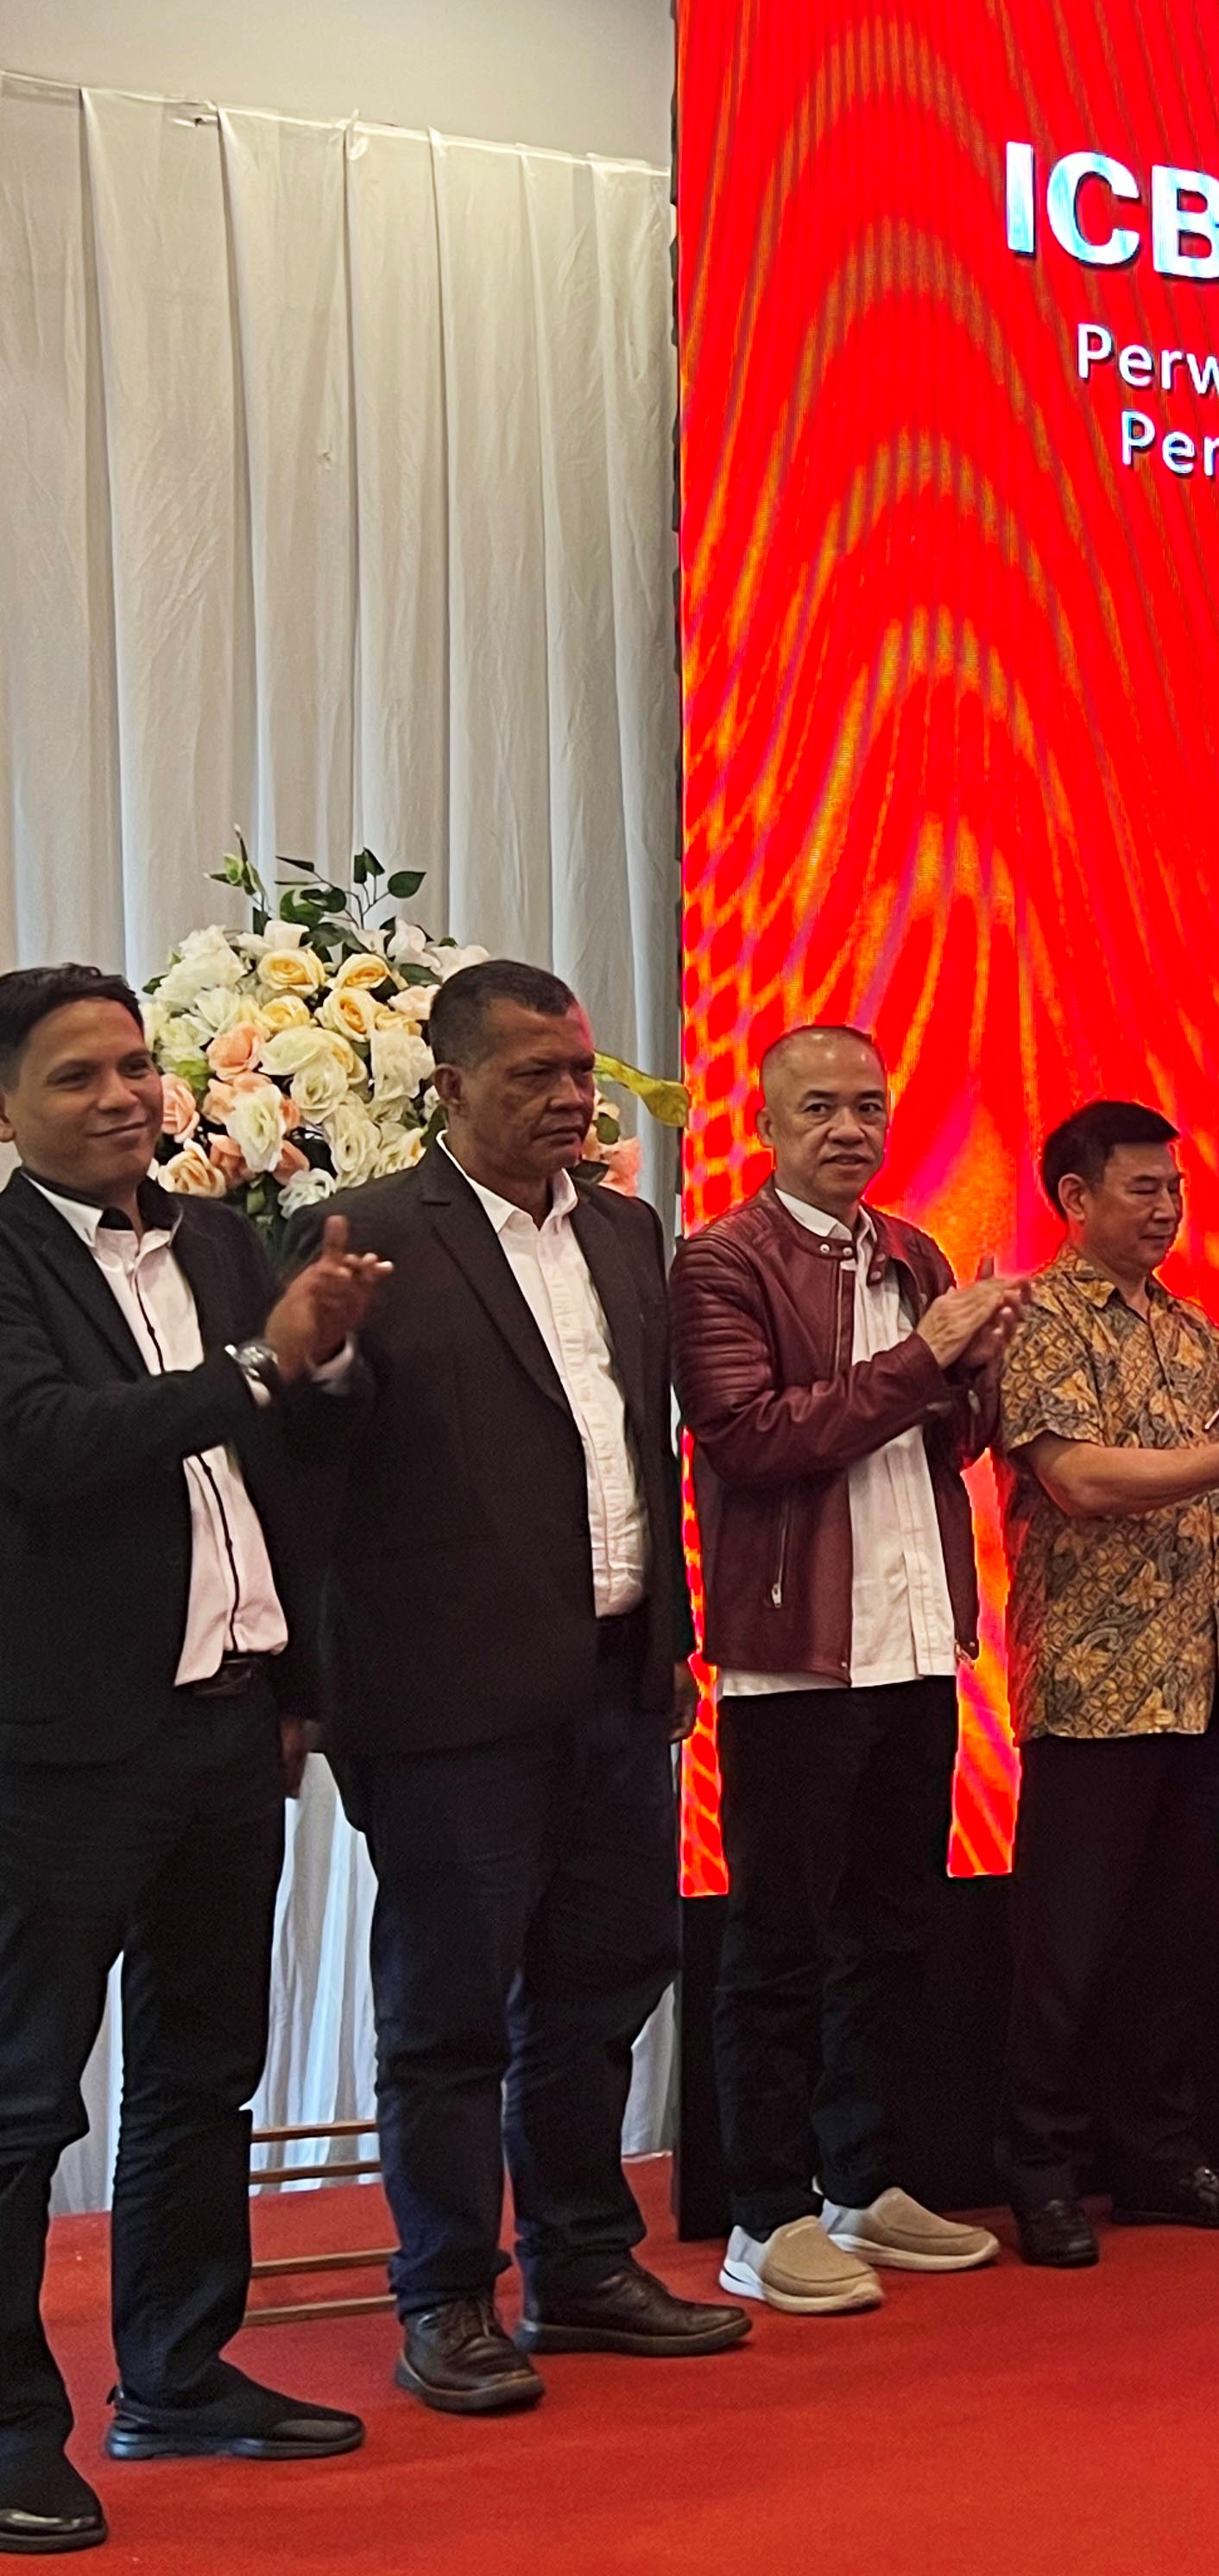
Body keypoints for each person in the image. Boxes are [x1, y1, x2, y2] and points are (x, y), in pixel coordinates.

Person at [310, 960, 745, 2415]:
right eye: (533, 1078)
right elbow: (317, 1470)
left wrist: (670, 1639)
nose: (571, 1099)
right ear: (449, 1087)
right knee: (446, 2011)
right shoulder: (370, 1234)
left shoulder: (625, 1228)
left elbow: (637, 1452)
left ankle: (583, 2263)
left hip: (616, 1682)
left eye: (579, 1072)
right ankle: (445, 2295)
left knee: (601, 1984)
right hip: (446, 1707)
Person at [0, 966, 387, 2550]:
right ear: (6, 1106)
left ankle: (174, 2371)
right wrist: (257, 1367)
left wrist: (329, 1359)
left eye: (135, 1064)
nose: (122, 1096)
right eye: (76, 1074)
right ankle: (10, 2428)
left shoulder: (223, 1238)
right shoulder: (8, 1258)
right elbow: (46, 1445)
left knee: (202, 2066)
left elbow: (301, 1453)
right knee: (24, 2095)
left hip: (233, 1714)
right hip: (61, 1743)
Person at [669, 1025, 1024, 2317]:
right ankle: (761, 2214)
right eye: (819, 1108)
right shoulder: (722, 1260)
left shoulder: (914, 1253)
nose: (849, 1130)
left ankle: (860, 2182)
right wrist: (927, 1359)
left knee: (892, 1930)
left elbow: (950, 1441)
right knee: (778, 1943)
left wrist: (976, 1373)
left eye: (868, 1107)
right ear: (766, 1124)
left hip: (916, 1639)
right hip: (797, 1656)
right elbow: (752, 1439)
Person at [990, 1101, 1219, 2268]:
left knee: (1171, 1940)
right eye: (1141, 1188)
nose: (1166, 1209)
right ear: (1074, 1198)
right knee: (1066, 1944)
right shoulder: (1040, 1319)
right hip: (1096, 1681)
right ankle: (1041, 2169)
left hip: (1204, 1679)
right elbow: (1079, 1479)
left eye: (1174, 1189)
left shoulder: (1193, 1331)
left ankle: (1158, 2157)